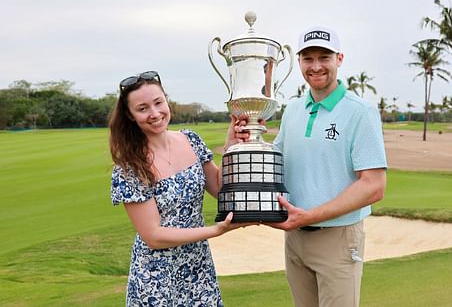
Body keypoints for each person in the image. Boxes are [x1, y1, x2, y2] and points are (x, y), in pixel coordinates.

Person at [267, 26, 388, 307]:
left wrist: (309, 216)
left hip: (338, 237)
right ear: (299, 62)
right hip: (295, 238)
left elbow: (373, 186)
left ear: (340, 59)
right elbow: (276, 161)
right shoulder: (294, 110)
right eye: (308, 59)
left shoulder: (360, 112)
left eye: (325, 57)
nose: (316, 66)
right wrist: (245, 139)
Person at [108, 70, 250, 306]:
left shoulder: (190, 140)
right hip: (156, 278)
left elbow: (219, 189)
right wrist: (216, 231)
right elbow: (153, 236)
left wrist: (230, 148)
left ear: (166, 100)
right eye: (143, 109)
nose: (155, 114)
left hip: (198, 267)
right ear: (131, 115)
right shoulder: (130, 167)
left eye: (158, 102)